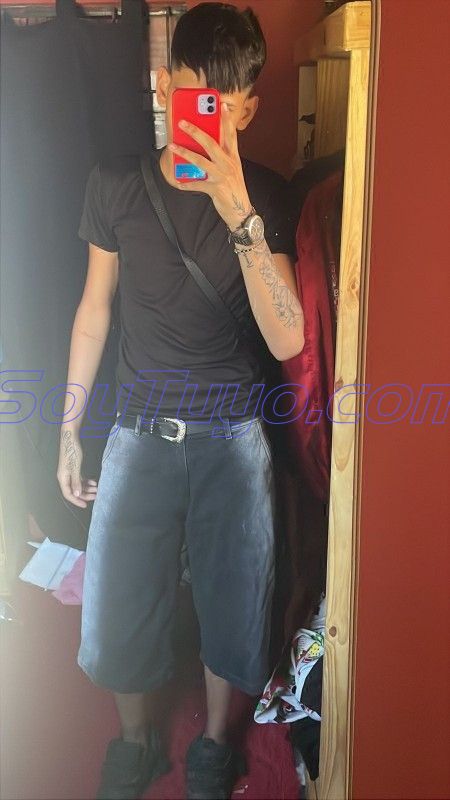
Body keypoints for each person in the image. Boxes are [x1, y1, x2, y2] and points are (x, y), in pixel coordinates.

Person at [57, 3, 304, 799]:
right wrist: (68, 428)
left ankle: (215, 745)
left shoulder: (268, 197)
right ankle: (134, 740)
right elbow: (94, 312)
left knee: (237, 602)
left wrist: (239, 214)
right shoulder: (115, 184)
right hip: (138, 429)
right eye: (199, 96)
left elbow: (288, 337)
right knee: (120, 600)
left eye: (228, 105)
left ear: (249, 109)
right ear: (167, 88)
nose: (211, 118)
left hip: (233, 435)